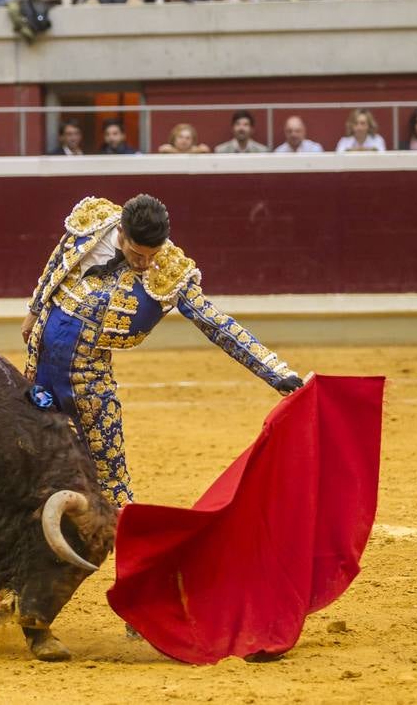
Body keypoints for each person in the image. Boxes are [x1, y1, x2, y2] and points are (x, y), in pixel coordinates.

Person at [19, 193, 302, 514]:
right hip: (39, 360)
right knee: (36, 451)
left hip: (87, 379)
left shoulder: (168, 270)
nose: (145, 263)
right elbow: (60, 257)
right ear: (121, 234)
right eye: (137, 254)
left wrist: (276, 371)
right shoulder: (94, 219)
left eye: (152, 255)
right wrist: (35, 309)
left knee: (111, 477)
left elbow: (216, 323)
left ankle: (127, 545)